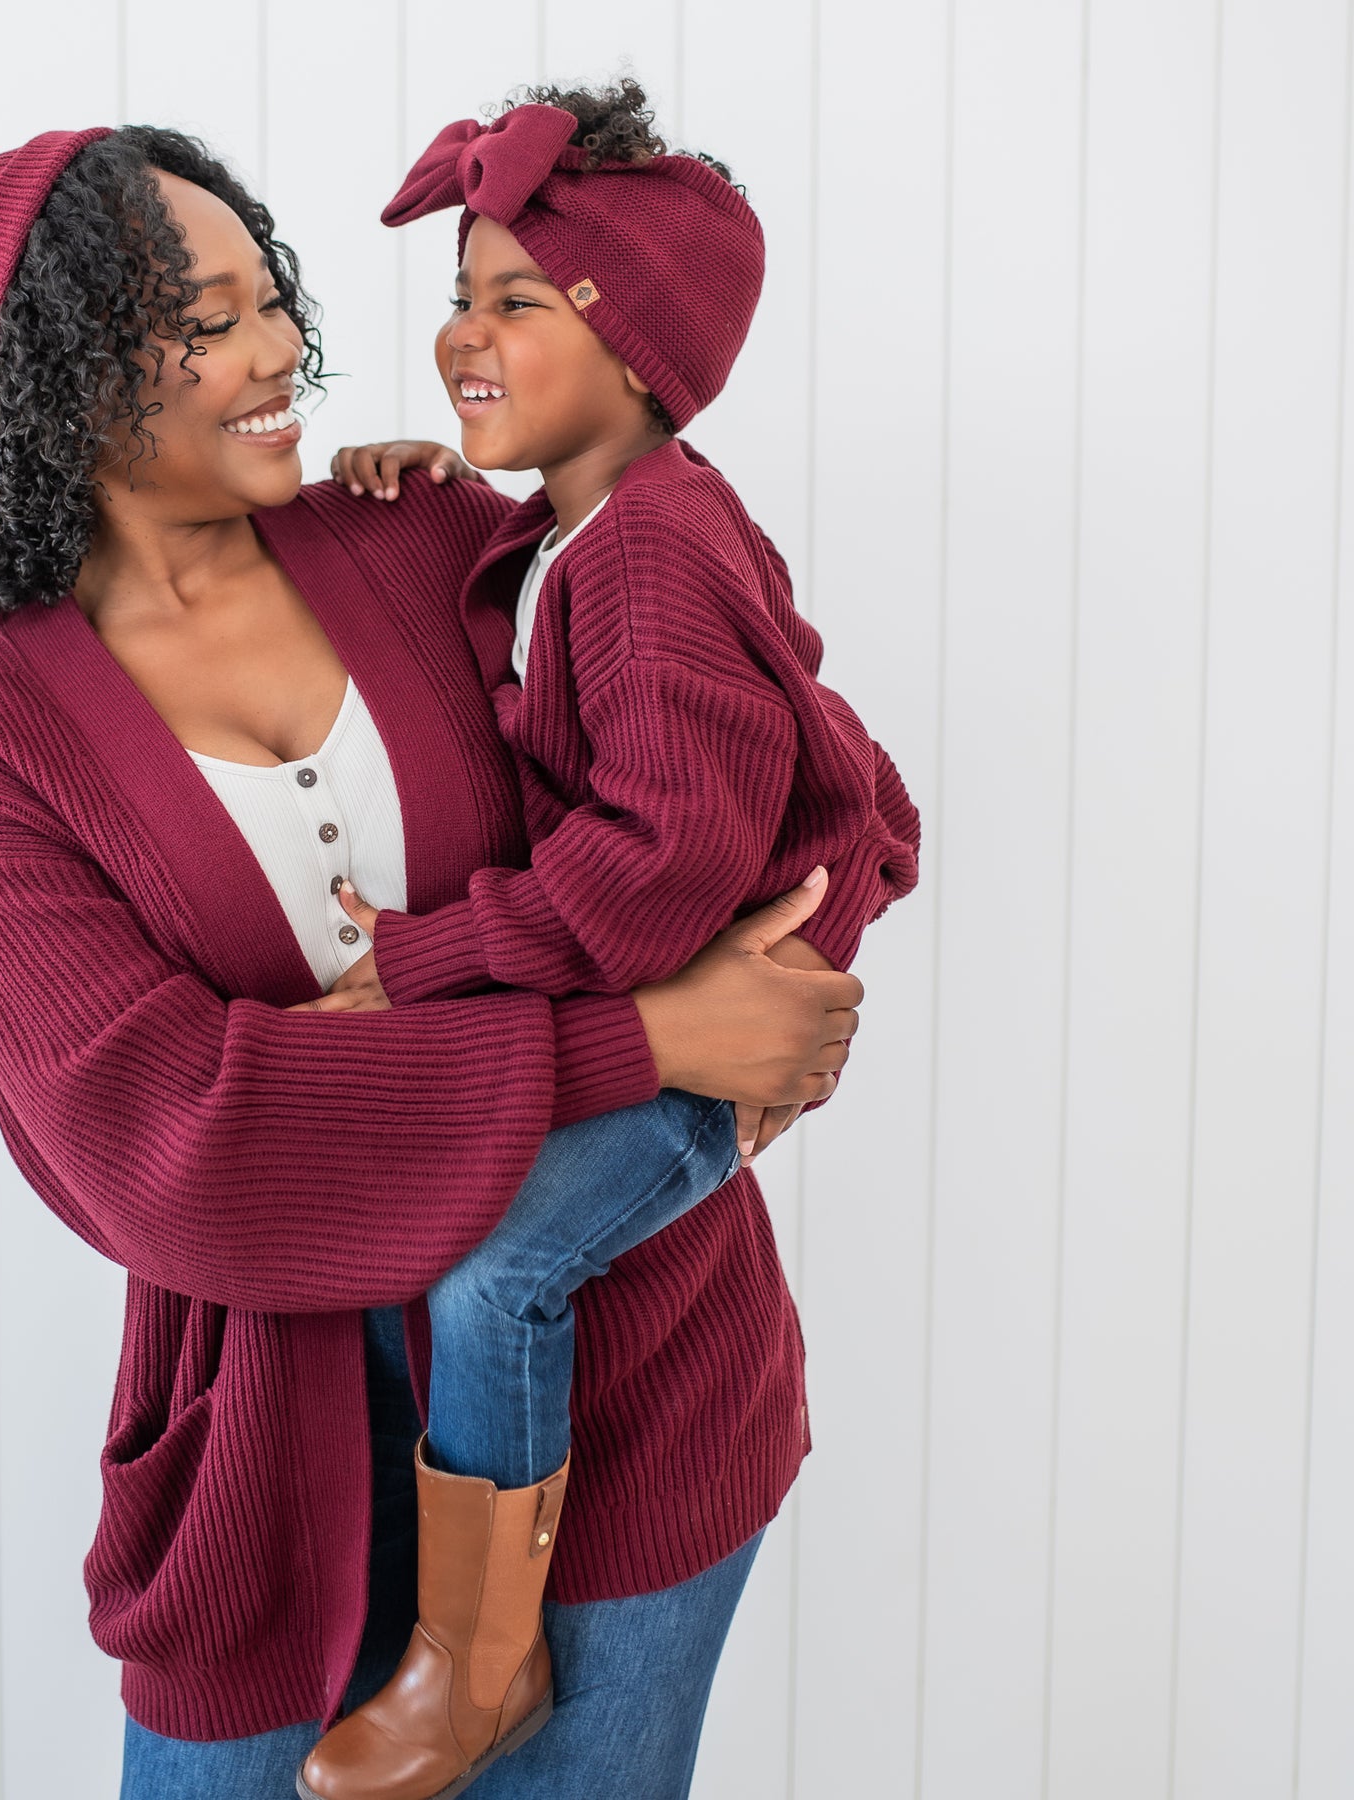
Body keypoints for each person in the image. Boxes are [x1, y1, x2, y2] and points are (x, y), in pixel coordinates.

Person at [0, 124, 860, 1800]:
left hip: (631, 1379)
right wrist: (650, 1041)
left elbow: (736, 786)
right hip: (262, 1469)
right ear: (61, 374)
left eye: (271, 304)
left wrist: (789, 987)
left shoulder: (429, 540)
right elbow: (171, 1134)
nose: (278, 356)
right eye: (208, 321)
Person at [299, 84, 920, 1800]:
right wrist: (430, 496)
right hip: (682, 996)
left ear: (636, 347)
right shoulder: (590, 530)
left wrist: (430, 957)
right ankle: (471, 1644)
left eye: (519, 301)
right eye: (458, 294)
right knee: (482, 1257)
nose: (462, 335)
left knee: (497, 1268)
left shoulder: (645, 553)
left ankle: (472, 1665)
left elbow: (653, 873)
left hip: (712, 1017)